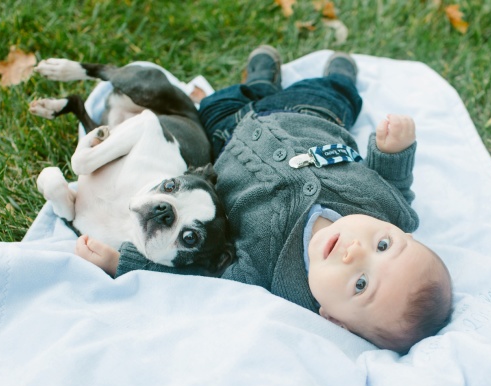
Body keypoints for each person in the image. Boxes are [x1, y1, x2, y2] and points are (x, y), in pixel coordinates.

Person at [76, 46, 453, 353]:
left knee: (213, 108)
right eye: (384, 245)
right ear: (396, 229)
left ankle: (258, 81)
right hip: (309, 117)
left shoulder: (275, 281)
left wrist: (121, 262)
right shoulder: (386, 209)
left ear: (333, 320)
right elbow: (396, 186)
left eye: (360, 284)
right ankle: (341, 79)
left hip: (231, 137)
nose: (355, 252)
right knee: (330, 95)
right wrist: (394, 151)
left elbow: (202, 278)